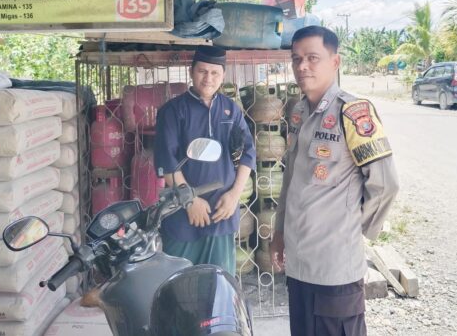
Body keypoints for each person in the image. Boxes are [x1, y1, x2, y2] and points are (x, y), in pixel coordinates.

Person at [269, 26, 399, 336]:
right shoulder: (299, 111)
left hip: (334, 271)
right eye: (296, 59)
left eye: (313, 58)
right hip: (299, 265)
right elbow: (291, 180)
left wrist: (351, 228)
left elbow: (385, 184)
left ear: (335, 62)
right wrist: (280, 231)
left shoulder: (353, 112)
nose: (302, 66)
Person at [154, 45, 255, 275]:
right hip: (183, 216)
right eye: (202, 71)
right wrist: (190, 201)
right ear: (191, 72)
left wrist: (234, 196)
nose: (208, 78)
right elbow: (166, 161)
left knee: (218, 284)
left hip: (222, 213)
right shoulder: (172, 111)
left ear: (223, 75)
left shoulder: (231, 110)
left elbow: (249, 154)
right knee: (179, 284)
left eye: (215, 73)